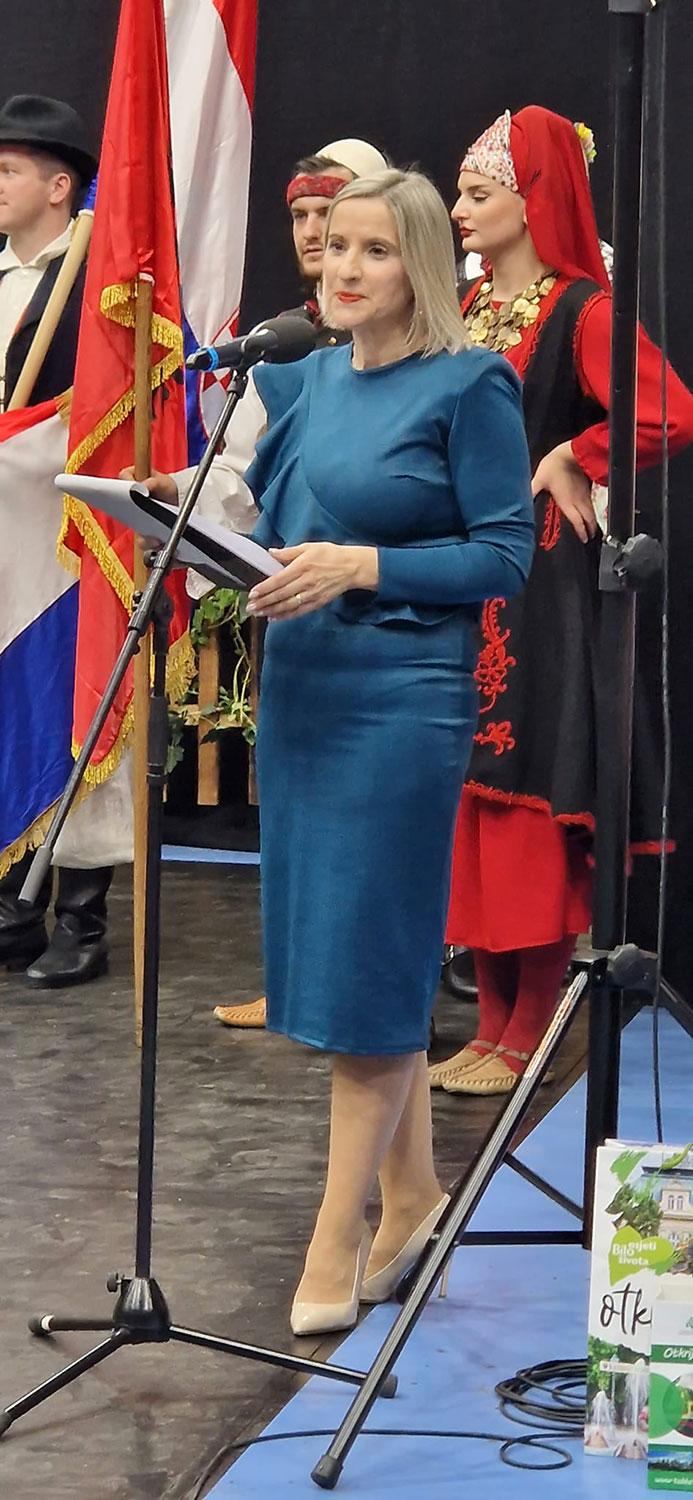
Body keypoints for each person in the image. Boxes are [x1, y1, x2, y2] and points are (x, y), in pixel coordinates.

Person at [146, 168, 534, 1332]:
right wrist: (172, 508)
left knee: (369, 959)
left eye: (374, 249)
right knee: (350, 960)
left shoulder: (471, 383)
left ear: (422, 265)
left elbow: (504, 555)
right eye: (332, 246)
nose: (343, 267)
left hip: (401, 704)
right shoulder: (305, 380)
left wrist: (366, 565)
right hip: (306, 696)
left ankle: (338, 1232)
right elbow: (266, 526)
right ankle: (412, 1198)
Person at [429, 105, 693, 1097]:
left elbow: (667, 411)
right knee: (469, 800)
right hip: (462, 578)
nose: (458, 210)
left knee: (527, 800)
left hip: (539, 595)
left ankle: (529, 1032)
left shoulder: (583, 310)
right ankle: (490, 1026)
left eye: (478, 193)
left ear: (534, 199)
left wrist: (572, 454)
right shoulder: (463, 306)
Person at [199, 137, 390, 1030]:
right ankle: (300, 982)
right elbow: (247, 478)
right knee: (300, 804)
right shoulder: (282, 346)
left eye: (338, 220)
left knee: (377, 823)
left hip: (394, 615)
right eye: (305, 219)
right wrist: (176, 499)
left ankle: (385, 994)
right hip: (299, 607)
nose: (316, 235)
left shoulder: (426, 349)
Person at [0, 94, 122, 990]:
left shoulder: (95, 285)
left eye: (7, 170)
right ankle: (13, 905)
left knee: (71, 704)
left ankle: (82, 914)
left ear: (58, 185)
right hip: (1, 531)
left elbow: (106, 412)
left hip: (61, 538)